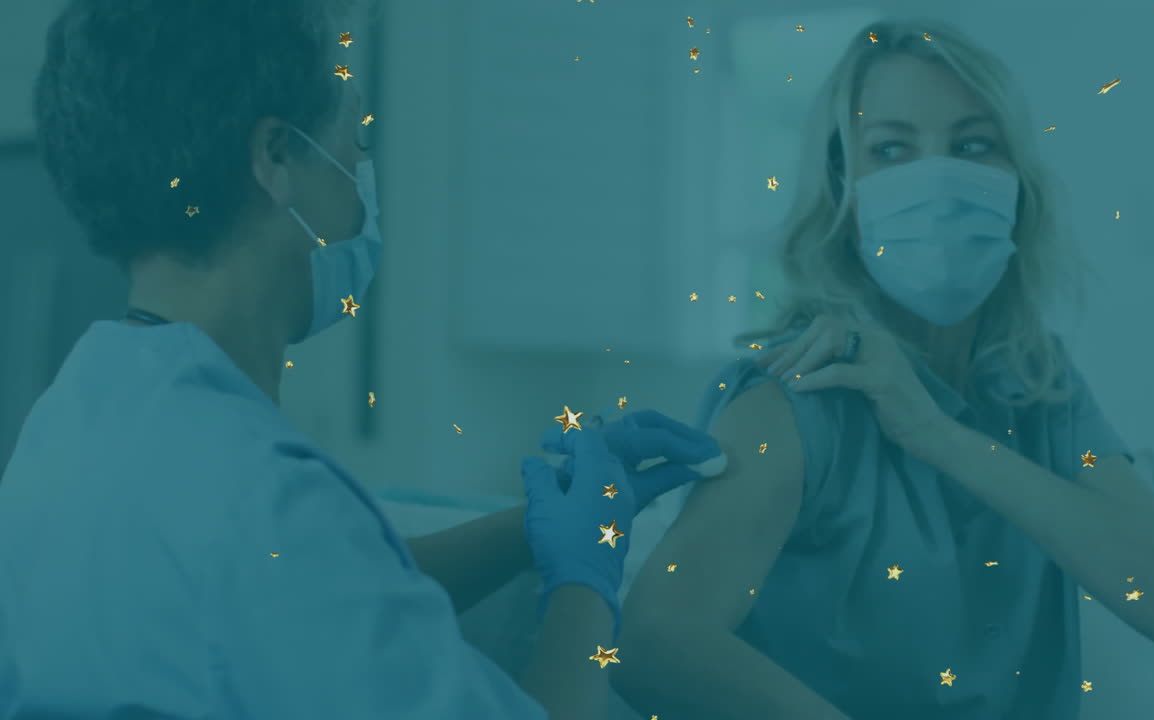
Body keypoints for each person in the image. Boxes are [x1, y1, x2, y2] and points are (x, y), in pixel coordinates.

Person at [0, 1, 723, 718]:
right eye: (353, 136)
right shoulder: (267, 499)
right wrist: (584, 579)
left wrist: (536, 527)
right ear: (277, 157)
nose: (360, 168)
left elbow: (320, 606)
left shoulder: (72, 422)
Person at [612, 19, 1154, 720]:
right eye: (892, 150)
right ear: (843, 197)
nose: (935, 179)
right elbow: (655, 644)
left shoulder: (1034, 384)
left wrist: (940, 435)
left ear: (1019, 188)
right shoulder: (800, 393)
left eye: (972, 146)